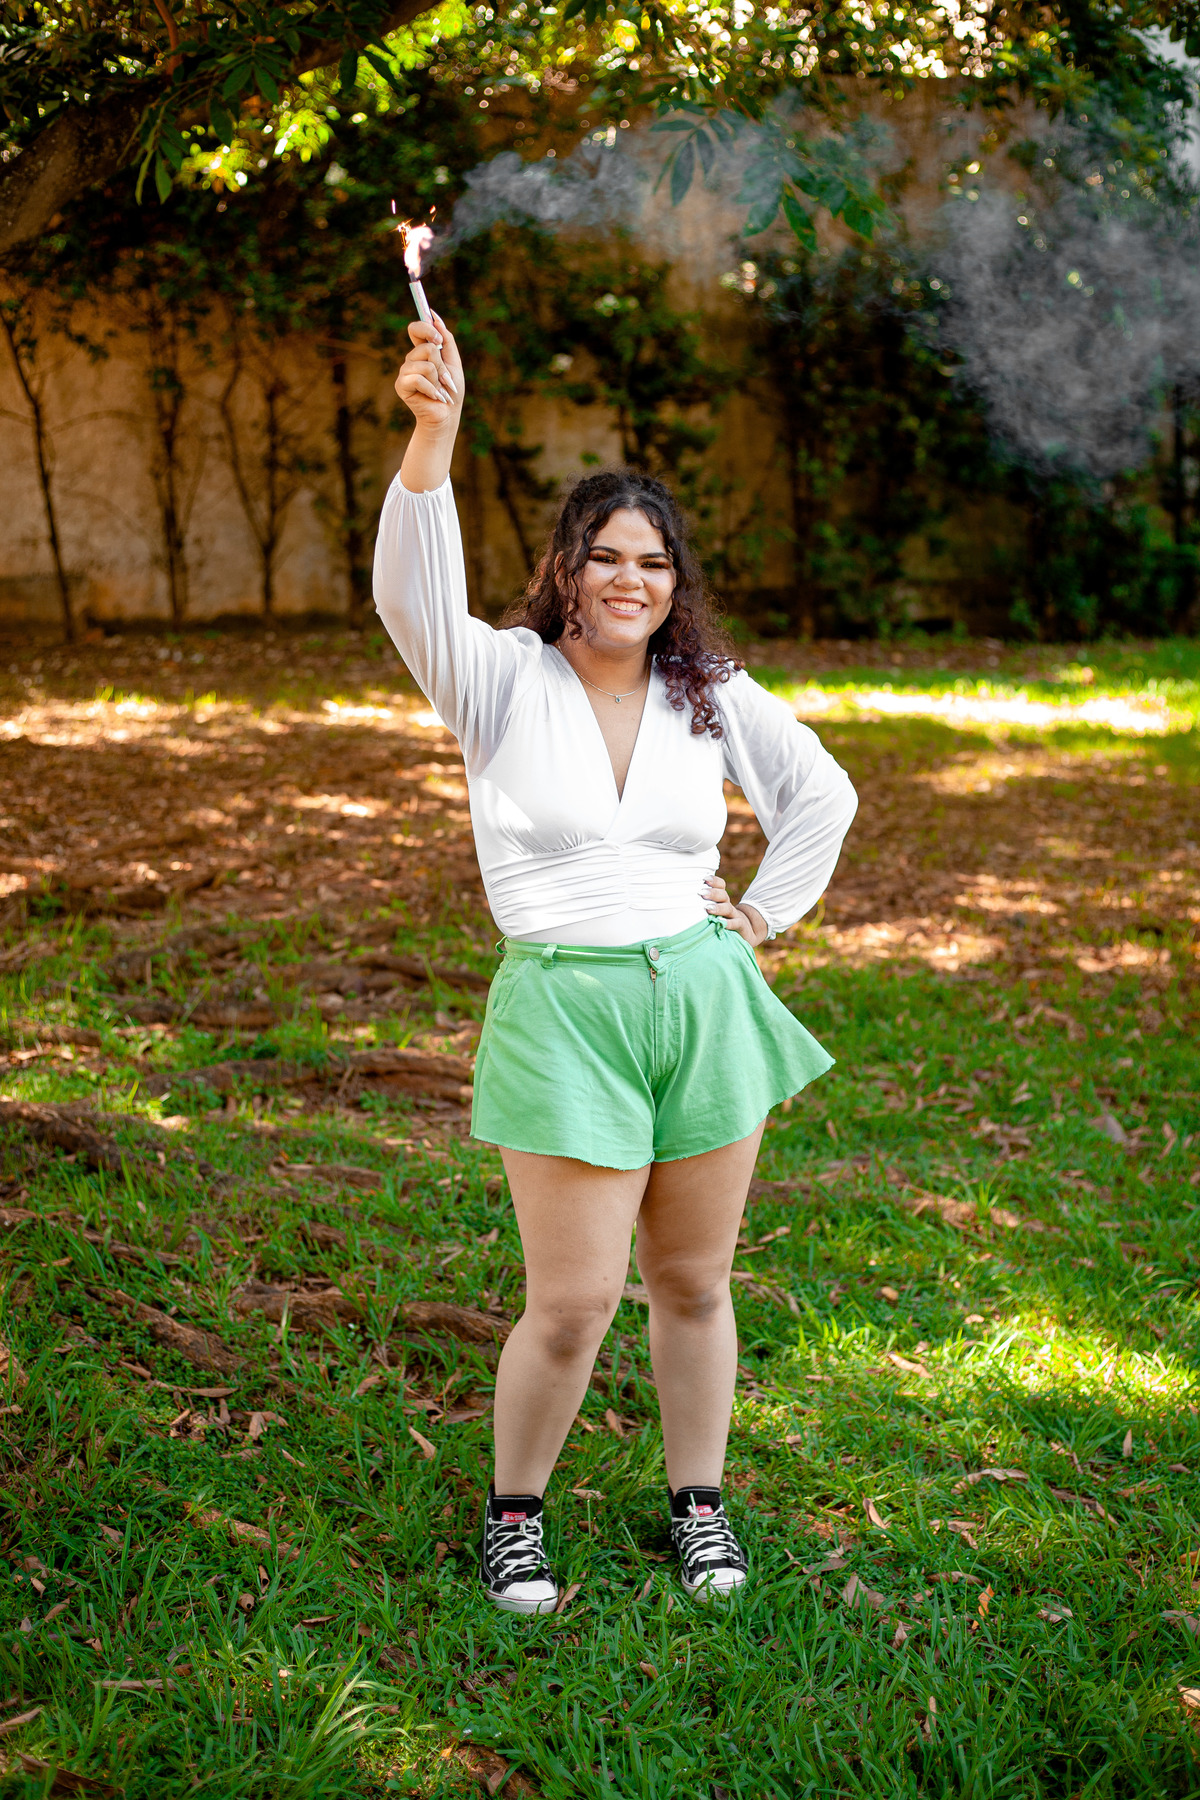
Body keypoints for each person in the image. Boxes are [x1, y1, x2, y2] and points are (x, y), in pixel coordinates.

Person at [374, 311, 857, 1615]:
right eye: (605, 557)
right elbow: (409, 595)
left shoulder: (709, 692)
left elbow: (821, 795)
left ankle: (700, 1505)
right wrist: (434, 436)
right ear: (566, 568)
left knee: (694, 1284)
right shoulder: (497, 680)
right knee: (575, 1299)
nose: (629, 580)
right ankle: (515, 1516)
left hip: (702, 998)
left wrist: (761, 918)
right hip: (565, 1008)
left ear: (674, 580)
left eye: (653, 561)